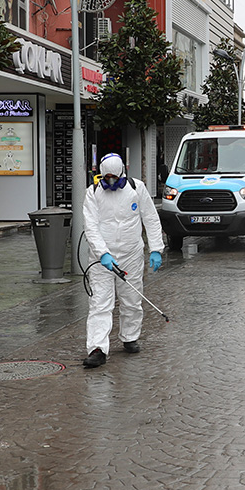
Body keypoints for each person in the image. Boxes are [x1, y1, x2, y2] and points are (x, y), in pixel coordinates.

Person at [82, 153, 164, 368]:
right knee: (100, 303)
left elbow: (151, 218)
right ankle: (97, 348)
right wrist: (102, 253)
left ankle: (130, 336)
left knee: (131, 299)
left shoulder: (136, 188)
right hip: (102, 259)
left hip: (131, 254)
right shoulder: (92, 193)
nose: (110, 181)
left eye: (113, 177)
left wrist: (156, 248)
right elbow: (90, 227)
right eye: (106, 177)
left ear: (122, 173)